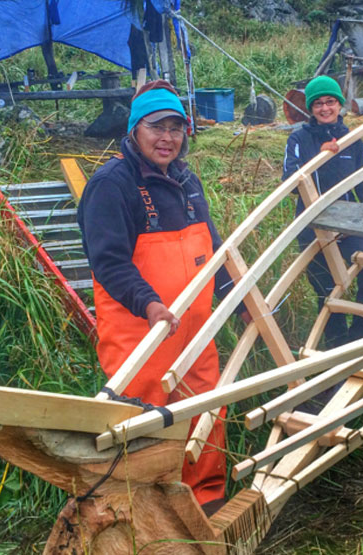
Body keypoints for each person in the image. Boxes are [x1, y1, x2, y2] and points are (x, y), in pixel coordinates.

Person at [77, 81, 237, 513]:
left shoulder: (186, 180)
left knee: (205, 416)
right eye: (156, 127)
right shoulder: (111, 186)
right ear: (134, 131)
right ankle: (145, 515)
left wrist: (234, 293)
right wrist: (149, 304)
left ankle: (206, 503)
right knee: (141, 427)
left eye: (176, 127)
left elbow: (213, 248)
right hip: (140, 337)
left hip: (195, 333)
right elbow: (109, 262)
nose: (167, 138)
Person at [282, 76, 363, 350]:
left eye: (330, 102)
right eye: (318, 103)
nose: (324, 108)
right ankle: (335, 352)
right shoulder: (299, 138)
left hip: (350, 225)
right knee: (327, 292)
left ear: (339, 105)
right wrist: (317, 158)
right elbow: (289, 180)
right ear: (310, 109)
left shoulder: (352, 140)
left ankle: (362, 338)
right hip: (312, 227)